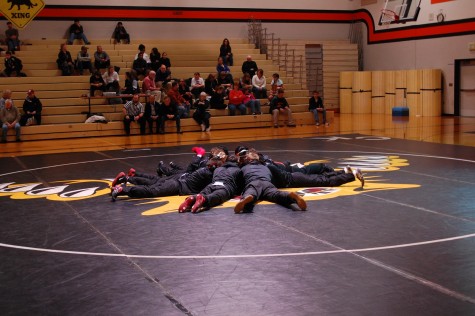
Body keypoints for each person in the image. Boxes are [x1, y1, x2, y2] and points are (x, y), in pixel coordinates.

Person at [234, 148, 307, 213]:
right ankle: (290, 196)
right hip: (267, 183)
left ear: (248, 159)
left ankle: (247, 197)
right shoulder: (266, 167)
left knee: (251, 192)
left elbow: (240, 182)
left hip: (254, 182)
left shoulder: (245, 168)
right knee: (276, 194)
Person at [111, 163, 213, 201]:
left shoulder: (204, 166)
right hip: (178, 184)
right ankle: (122, 189)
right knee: (152, 190)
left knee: (153, 182)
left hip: (178, 179)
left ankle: (126, 179)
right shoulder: (210, 173)